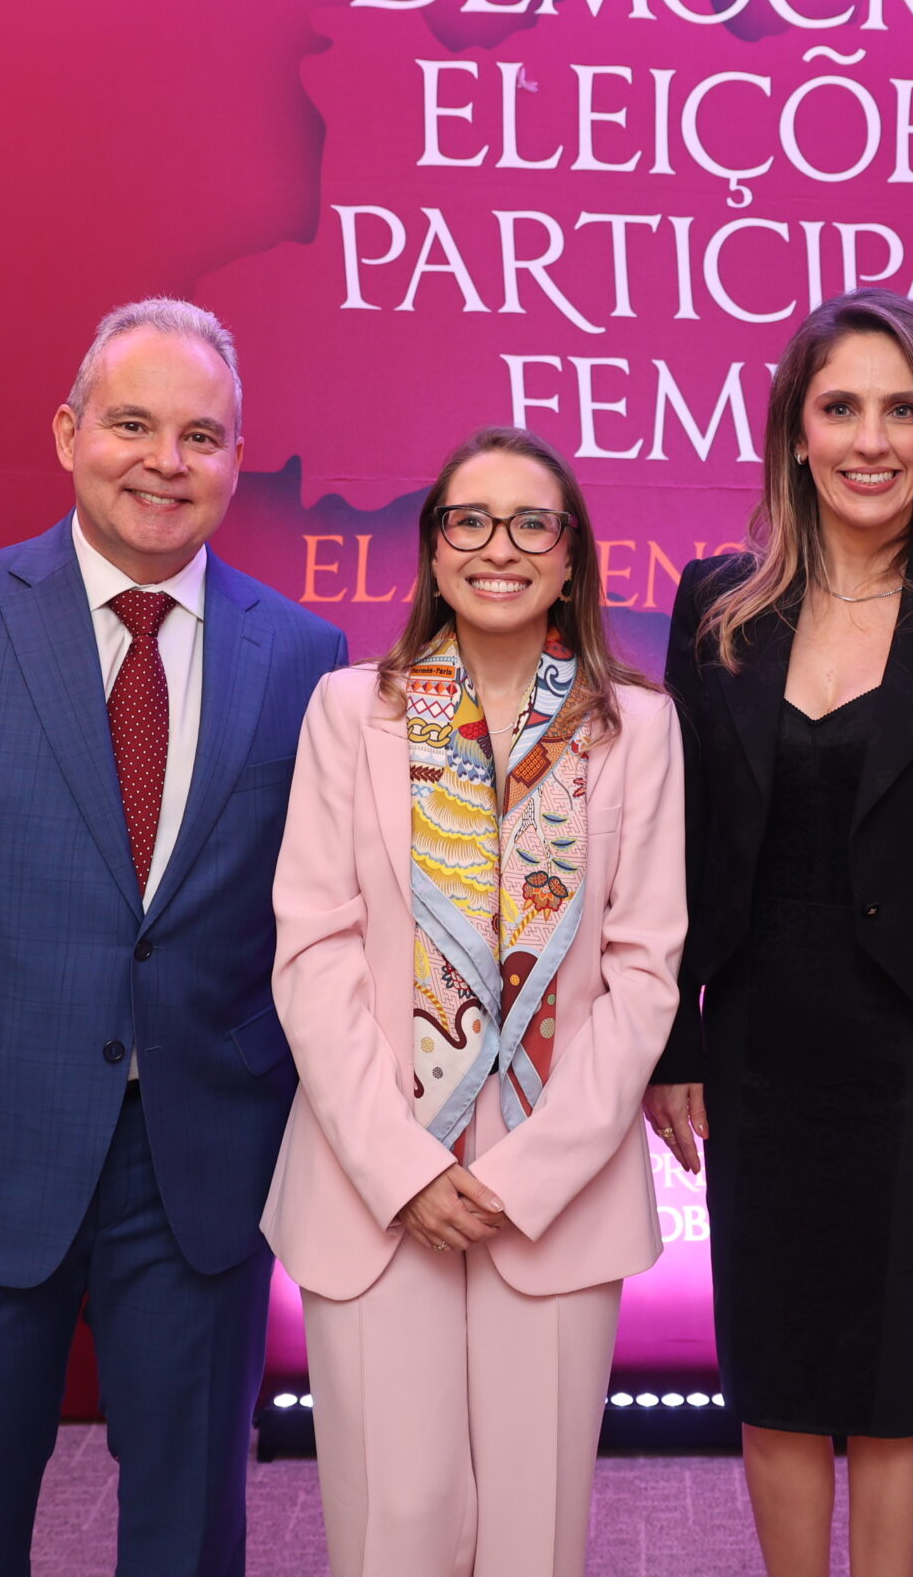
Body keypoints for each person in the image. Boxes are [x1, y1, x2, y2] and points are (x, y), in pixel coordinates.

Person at [0, 298, 346, 1577]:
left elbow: (324, 921)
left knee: (189, 1538)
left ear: (235, 458)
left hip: (206, 1178)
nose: (166, 461)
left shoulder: (310, 658)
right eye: (133, 424)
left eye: (201, 435)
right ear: (68, 434)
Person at [643, 288, 913, 1577]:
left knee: (897, 1388)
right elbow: (673, 846)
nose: (870, 438)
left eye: (901, 408)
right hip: (762, 1048)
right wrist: (674, 1046)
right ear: (795, 430)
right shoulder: (718, 605)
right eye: (841, 408)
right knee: (774, 1379)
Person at [263, 428, 686, 1577]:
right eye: (469, 521)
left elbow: (645, 971)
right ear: (434, 548)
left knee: (531, 1537)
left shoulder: (635, 728)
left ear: (570, 557)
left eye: (531, 523)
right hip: (374, 1177)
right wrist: (403, 1167)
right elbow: (313, 951)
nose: (498, 548)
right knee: (396, 1519)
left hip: (554, 1188)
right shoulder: (352, 713)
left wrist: (525, 1172)